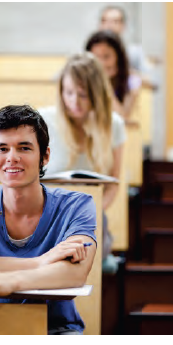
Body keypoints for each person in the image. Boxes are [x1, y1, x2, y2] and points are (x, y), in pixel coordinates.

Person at [0, 104, 97, 335]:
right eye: (2, 149)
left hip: (56, 330)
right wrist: (40, 262)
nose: (12, 158)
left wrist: (11, 282)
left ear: (45, 156)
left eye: (24, 148)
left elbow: (75, 273)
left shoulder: (78, 205)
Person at [38, 52, 126, 269]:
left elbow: (113, 184)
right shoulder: (43, 119)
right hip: (45, 215)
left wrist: (92, 213)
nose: (74, 102)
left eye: (83, 95)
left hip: (91, 217)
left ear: (96, 94)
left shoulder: (113, 124)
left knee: (88, 238)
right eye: (68, 93)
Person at [85, 30, 141, 119]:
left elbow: (122, 118)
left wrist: (104, 83)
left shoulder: (131, 81)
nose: (101, 62)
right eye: (95, 57)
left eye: (106, 56)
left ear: (118, 57)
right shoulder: (82, 78)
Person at [98, 4, 158, 88]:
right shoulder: (92, 51)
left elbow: (153, 83)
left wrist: (124, 71)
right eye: (105, 21)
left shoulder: (134, 52)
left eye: (115, 21)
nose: (109, 26)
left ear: (123, 26)